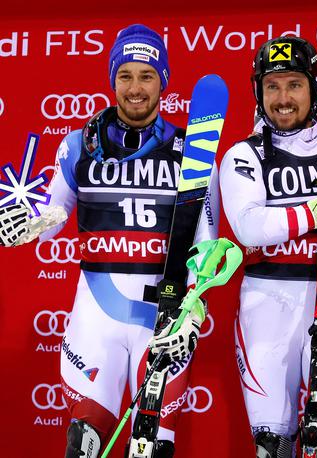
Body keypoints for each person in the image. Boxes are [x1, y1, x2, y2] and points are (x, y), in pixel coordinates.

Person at [0, 24, 219, 458]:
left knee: (152, 445)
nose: (135, 88)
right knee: (83, 442)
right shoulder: (80, 143)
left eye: (146, 76)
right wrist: (28, 222)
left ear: (163, 81)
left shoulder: (192, 150)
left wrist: (193, 310)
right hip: (96, 312)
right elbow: (55, 212)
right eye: (125, 76)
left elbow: (205, 242)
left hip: (164, 313)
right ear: (112, 79)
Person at [218, 36, 317, 458]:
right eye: (272, 86)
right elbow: (250, 227)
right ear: (258, 92)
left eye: (294, 84)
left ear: (315, 89)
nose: (283, 98)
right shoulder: (243, 154)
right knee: (275, 445)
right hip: (267, 307)